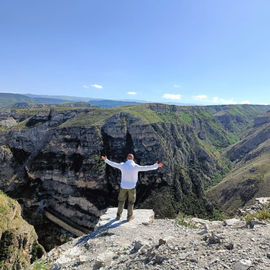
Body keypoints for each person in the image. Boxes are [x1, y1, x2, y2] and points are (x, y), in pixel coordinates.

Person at [101, 154, 163, 221]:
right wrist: (156, 166)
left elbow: (113, 164)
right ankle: (129, 217)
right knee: (131, 202)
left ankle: (118, 217)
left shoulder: (122, 165)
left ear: (127, 158)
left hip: (123, 187)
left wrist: (106, 160)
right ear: (133, 159)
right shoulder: (135, 167)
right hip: (131, 188)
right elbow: (146, 168)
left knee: (121, 201)